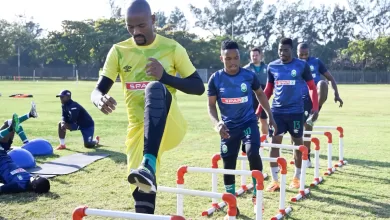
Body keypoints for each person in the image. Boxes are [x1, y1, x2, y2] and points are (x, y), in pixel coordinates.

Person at [90, 0, 205, 215]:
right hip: (138, 130)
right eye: (130, 27)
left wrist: (166, 77)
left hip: (170, 123)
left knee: (154, 87)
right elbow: (98, 90)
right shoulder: (118, 51)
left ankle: (149, 162)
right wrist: (99, 99)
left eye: (141, 26)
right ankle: (147, 168)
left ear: (153, 20)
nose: (136, 32)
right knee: (142, 186)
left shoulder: (172, 48)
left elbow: (198, 87)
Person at [208, 40, 276, 217]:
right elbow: (211, 106)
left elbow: (260, 93)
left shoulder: (248, 75)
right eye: (228, 58)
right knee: (228, 164)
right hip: (228, 128)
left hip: (248, 123)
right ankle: (232, 204)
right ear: (221, 58)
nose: (232, 62)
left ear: (240, 57)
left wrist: (269, 115)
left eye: (236, 58)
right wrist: (217, 123)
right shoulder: (215, 79)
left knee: (253, 152)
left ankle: (257, 198)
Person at [256, 38, 319, 191]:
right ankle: (275, 180)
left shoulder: (301, 65)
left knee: (298, 145)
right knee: (274, 143)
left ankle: (297, 178)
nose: (282, 53)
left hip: (296, 112)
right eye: (280, 50)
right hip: (277, 112)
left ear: (291, 50)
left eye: (285, 50)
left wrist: (315, 107)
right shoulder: (272, 66)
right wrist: (258, 111)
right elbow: (268, 91)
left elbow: (312, 87)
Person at [297, 42, 344, 167]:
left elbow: (330, 78)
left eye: (306, 54)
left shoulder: (316, 62)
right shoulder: (294, 64)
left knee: (323, 83)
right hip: (299, 99)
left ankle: (315, 112)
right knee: (303, 129)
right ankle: (302, 157)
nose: (304, 57)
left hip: (315, 99)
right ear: (297, 53)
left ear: (309, 52)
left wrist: (336, 94)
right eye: (301, 54)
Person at [0, 114, 50, 194]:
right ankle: (12, 128)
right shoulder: (29, 177)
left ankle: (13, 129)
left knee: (8, 126)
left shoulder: (18, 185)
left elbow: (1, 189)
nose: (36, 176)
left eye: (37, 178)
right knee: (8, 123)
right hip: (4, 154)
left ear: (34, 186)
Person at [243, 47, 269, 136]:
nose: (254, 57)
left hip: (263, 96)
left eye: (256, 55)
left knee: (264, 119)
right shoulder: (245, 69)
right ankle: (252, 138)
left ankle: (264, 140)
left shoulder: (267, 68)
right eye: (252, 55)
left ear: (260, 56)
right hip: (251, 97)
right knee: (251, 120)